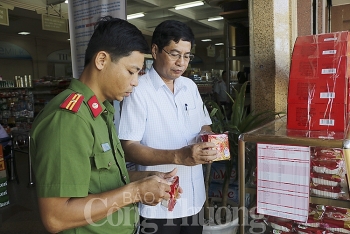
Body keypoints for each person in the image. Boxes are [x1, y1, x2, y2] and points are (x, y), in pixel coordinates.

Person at [30, 16, 178, 234]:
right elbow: (55, 217)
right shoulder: (70, 119)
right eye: (131, 71)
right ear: (101, 60)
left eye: (138, 73)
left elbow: (102, 180)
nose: (136, 81)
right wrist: (136, 192)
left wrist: (148, 180)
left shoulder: (102, 112)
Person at [118, 20, 218, 234]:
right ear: (155, 51)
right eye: (174, 54)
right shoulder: (138, 90)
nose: (181, 62)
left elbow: (204, 125)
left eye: (186, 56)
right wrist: (178, 156)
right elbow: (129, 147)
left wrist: (209, 140)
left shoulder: (190, 87)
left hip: (194, 197)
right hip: (159, 204)